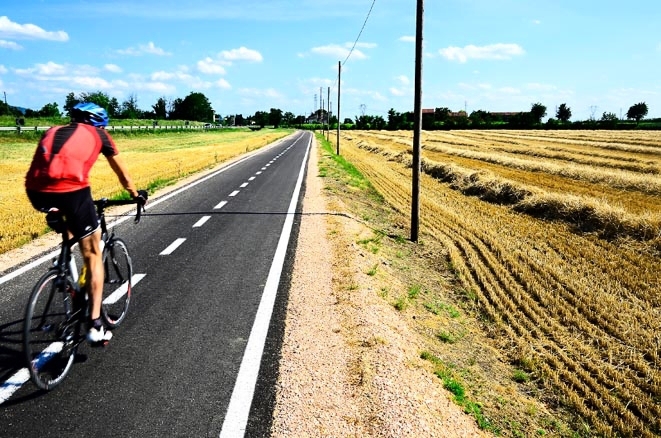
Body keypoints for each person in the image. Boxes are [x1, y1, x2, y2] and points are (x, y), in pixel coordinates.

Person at [25, 102, 147, 344]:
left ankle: (63, 263)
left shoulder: (53, 129)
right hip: (71, 191)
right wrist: (135, 194)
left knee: (69, 228)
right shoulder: (100, 134)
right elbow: (122, 173)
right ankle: (95, 324)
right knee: (92, 252)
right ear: (99, 122)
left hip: (35, 191)